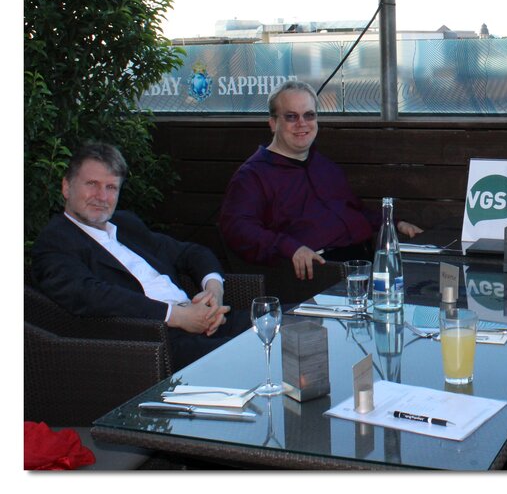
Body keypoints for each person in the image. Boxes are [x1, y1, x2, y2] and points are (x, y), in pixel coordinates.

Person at [31, 143, 249, 370]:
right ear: (66, 187)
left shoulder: (125, 225)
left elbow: (189, 252)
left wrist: (214, 292)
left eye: (111, 187)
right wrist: (176, 316)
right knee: (263, 355)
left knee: (284, 323)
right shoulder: (55, 242)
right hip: (155, 347)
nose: (102, 196)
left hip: (203, 323)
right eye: (92, 184)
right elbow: (89, 295)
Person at [219, 80, 422, 297]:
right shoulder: (253, 175)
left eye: (309, 115)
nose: (302, 123)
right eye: (291, 116)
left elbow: (351, 210)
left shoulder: (323, 165)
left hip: (365, 265)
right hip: (316, 278)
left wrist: (394, 223)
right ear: (272, 123)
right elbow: (237, 229)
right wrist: (290, 247)